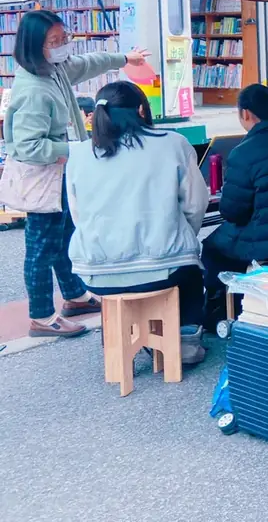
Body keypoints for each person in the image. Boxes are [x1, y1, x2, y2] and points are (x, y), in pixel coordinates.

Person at [2, 10, 149, 338]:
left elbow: (85, 63)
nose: (63, 46)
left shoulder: (53, 68)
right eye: (54, 41)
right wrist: (75, 149)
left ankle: (75, 295)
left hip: (59, 178)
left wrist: (124, 58)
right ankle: (41, 317)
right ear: (34, 46)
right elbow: (27, 147)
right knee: (41, 246)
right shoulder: (34, 90)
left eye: (64, 38)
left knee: (66, 235)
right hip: (41, 182)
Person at [66, 81, 209, 364]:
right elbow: (195, 204)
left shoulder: (79, 154)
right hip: (165, 269)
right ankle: (185, 344)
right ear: (141, 109)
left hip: (96, 274)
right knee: (191, 274)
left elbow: (78, 214)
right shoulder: (172, 143)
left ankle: (121, 345)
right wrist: (179, 236)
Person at [201, 84, 268, 329]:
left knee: (212, 248)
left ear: (246, 114)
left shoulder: (243, 152)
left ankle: (219, 314)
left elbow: (233, 211)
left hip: (266, 239)